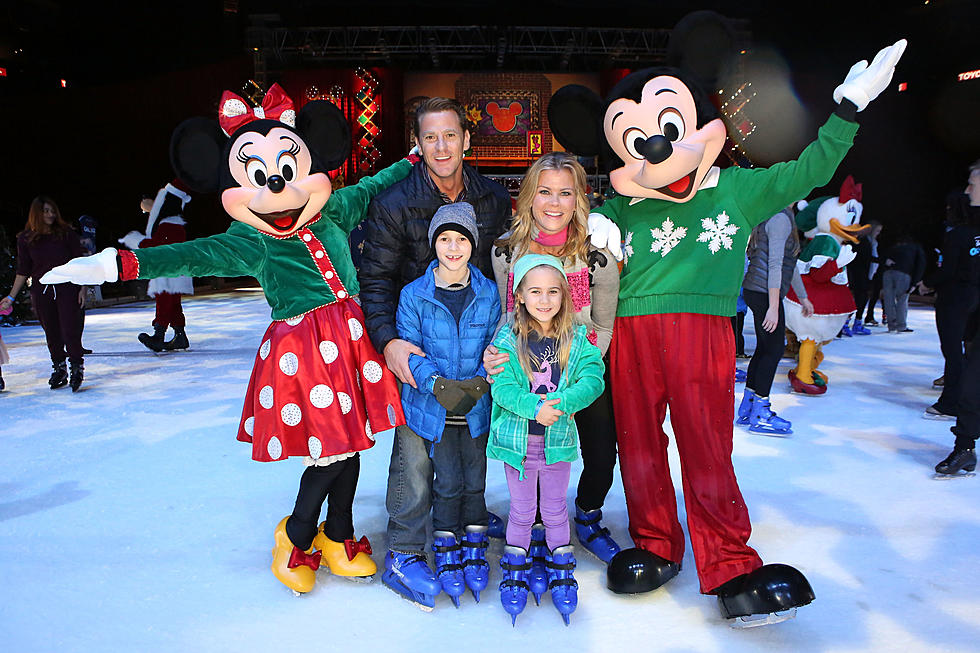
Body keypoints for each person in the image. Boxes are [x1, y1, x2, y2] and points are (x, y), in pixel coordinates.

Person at [41, 83, 412, 596]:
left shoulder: (334, 211)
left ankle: (340, 533)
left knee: (350, 444)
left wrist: (412, 160)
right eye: (259, 177)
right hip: (304, 357)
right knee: (329, 451)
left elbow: (372, 185)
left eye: (287, 170)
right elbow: (184, 256)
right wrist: (113, 263)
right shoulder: (249, 241)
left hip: (351, 344)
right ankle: (297, 535)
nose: (278, 188)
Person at [357, 96, 512, 609]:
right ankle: (404, 547)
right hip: (417, 341)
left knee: (471, 445)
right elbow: (375, 281)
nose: (441, 146)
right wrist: (389, 341)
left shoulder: (491, 197)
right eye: (431, 137)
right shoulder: (395, 202)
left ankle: (466, 515)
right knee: (416, 453)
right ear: (418, 144)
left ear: (466, 140)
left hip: (473, 343)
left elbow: (503, 271)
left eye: (451, 135)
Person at [489, 151, 622, 564]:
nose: (554, 203)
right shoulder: (505, 252)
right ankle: (531, 517)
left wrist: (574, 381)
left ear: (579, 199)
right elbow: (505, 314)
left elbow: (604, 324)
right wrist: (499, 358)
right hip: (525, 375)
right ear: (529, 195)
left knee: (601, 450)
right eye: (544, 191)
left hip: (580, 369)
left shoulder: (597, 253)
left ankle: (586, 513)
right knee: (528, 452)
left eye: (566, 193)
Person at [487, 254, 605, 624]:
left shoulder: (576, 338)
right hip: (518, 444)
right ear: (519, 295)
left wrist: (564, 402)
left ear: (564, 295)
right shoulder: (509, 338)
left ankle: (562, 565)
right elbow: (502, 388)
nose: (544, 299)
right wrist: (533, 407)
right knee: (522, 511)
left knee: (554, 509)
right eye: (535, 291)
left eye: (553, 291)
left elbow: (593, 377)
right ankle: (515, 565)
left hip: (558, 443)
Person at [393, 202, 500, 607]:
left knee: (475, 476)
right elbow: (409, 348)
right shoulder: (413, 295)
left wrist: (481, 381)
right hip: (433, 406)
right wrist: (435, 383)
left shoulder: (488, 293)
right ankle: (445, 539)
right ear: (433, 243)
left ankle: (473, 538)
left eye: (461, 239)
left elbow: (498, 343)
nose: (453, 248)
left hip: (474, 405)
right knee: (446, 479)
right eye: (444, 239)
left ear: (472, 244)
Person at [737, 206, 811, 434]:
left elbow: (790, 264)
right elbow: (775, 264)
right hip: (763, 292)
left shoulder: (774, 214)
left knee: (765, 348)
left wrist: (803, 297)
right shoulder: (779, 217)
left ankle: (749, 407)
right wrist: (773, 306)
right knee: (773, 349)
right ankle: (760, 412)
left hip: (757, 290)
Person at [1, 196, 87, 391]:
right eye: (45, 211)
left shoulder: (66, 233)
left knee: (69, 329)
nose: (50, 215)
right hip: (42, 290)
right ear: (36, 214)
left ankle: (76, 367)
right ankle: (59, 368)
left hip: (67, 287)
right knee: (52, 332)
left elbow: (79, 262)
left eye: (52, 210)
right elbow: (23, 270)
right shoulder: (25, 238)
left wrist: (82, 287)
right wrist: (11, 297)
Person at [921, 162, 980, 421]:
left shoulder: (960, 235)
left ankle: (951, 402)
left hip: (956, 298)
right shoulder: (974, 234)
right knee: (962, 350)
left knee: (953, 350)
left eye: (972, 185)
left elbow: (949, 271)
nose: (968, 191)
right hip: (970, 297)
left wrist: (927, 283)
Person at [119, 181, 194, 352]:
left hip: (168, 269)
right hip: (173, 269)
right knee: (172, 301)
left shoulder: (169, 224)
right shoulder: (172, 223)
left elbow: (158, 246)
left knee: (165, 300)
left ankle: (159, 334)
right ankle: (180, 335)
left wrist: (136, 240)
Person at [881, 231, 926, 333]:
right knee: (902, 299)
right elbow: (920, 265)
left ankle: (891, 325)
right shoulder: (916, 248)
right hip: (904, 273)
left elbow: (883, 258)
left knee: (889, 299)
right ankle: (901, 325)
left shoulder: (894, 247)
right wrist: (915, 282)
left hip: (888, 272)